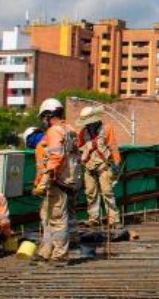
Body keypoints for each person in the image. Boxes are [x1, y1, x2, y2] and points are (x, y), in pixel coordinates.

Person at [33, 98, 80, 262]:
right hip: (71, 180)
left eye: (43, 118)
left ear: (48, 116)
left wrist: (44, 181)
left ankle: (60, 254)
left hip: (58, 181)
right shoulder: (70, 130)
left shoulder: (54, 131)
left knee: (57, 219)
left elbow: (56, 157)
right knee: (47, 215)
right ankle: (46, 250)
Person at [77, 106, 122, 228]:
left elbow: (113, 146)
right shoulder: (83, 132)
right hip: (88, 166)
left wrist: (117, 162)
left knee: (107, 192)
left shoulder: (106, 129)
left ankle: (114, 220)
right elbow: (78, 148)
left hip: (103, 165)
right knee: (90, 193)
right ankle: (93, 218)